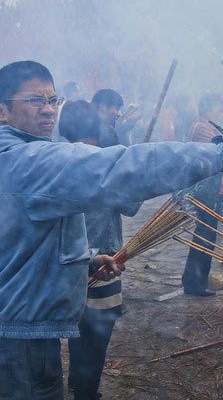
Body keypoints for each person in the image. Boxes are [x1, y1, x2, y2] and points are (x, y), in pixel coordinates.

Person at [0, 61, 223, 400]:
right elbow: (123, 166)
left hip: (14, 327)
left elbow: (22, 244)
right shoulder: (30, 161)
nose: (49, 109)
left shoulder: (11, 157)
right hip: (17, 336)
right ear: (1, 111)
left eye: (53, 99)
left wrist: (85, 261)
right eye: (36, 100)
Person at [59, 100, 140, 400]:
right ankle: (87, 391)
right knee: (98, 333)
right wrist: (134, 179)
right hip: (104, 261)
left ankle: (78, 383)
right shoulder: (105, 172)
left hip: (73, 260)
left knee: (79, 327)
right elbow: (131, 207)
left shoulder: (61, 161)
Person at [181, 93, 223, 296]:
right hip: (206, 192)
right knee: (204, 235)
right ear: (210, 107)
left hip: (207, 191)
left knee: (205, 234)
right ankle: (195, 283)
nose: (221, 111)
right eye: (219, 106)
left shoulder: (202, 126)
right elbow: (215, 161)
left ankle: (195, 281)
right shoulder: (203, 128)